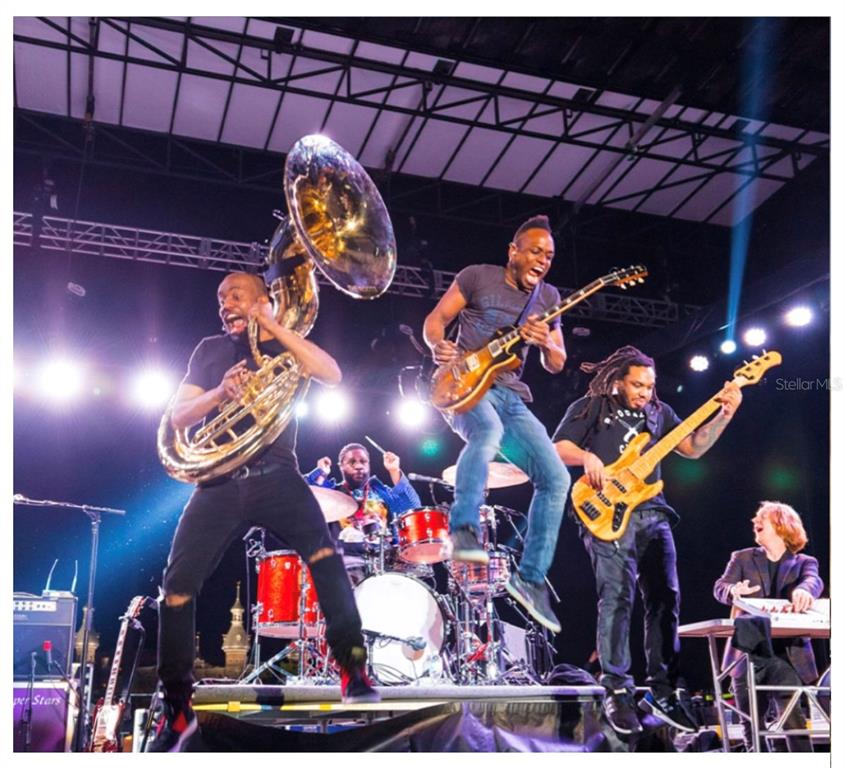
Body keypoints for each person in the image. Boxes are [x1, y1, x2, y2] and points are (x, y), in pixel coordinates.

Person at [151, 272, 378, 752]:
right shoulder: (209, 350)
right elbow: (179, 415)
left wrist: (273, 327)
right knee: (176, 587)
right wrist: (220, 393)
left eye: (236, 295)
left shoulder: (284, 343)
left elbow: (332, 373)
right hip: (218, 481)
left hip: (277, 474)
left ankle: (353, 668)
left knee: (326, 557)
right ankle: (177, 708)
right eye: (220, 297)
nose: (225, 303)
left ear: (262, 300)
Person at [553, 345, 742, 736]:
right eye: (637, 385)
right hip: (605, 510)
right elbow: (559, 447)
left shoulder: (660, 413)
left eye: (649, 386)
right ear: (618, 381)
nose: (644, 392)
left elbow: (693, 447)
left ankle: (663, 690)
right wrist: (587, 458)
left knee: (666, 599)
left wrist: (726, 412)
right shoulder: (592, 407)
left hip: (653, 512)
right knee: (617, 597)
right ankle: (617, 690)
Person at [422, 214, 570, 633]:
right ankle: (463, 529)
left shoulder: (549, 297)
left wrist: (546, 343)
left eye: (549, 256)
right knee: (487, 432)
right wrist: (439, 345)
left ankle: (530, 579)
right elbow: (435, 321)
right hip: (465, 384)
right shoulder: (477, 277)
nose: (543, 260)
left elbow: (558, 362)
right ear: (513, 251)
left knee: (557, 478)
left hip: (511, 395)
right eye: (536, 251)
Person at [713, 501, 823, 752]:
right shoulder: (742, 557)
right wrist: (733, 590)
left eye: (762, 518)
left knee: (793, 721)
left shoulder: (805, 562)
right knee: (751, 725)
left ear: (782, 525)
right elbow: (720, 587)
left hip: (787, 655)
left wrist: (805, 591)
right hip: (746, 653)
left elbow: (812, 580)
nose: (755, 521)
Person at [305, 443, 421, 535]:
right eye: (352, 462)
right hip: (343, 555)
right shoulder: (332, 494)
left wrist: (394, 471)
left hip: (382, 555)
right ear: (341, 466)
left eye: (363, 462)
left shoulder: (381, 492)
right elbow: (302, 499)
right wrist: (321, 473)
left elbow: (413, 507)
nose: (359, 466)